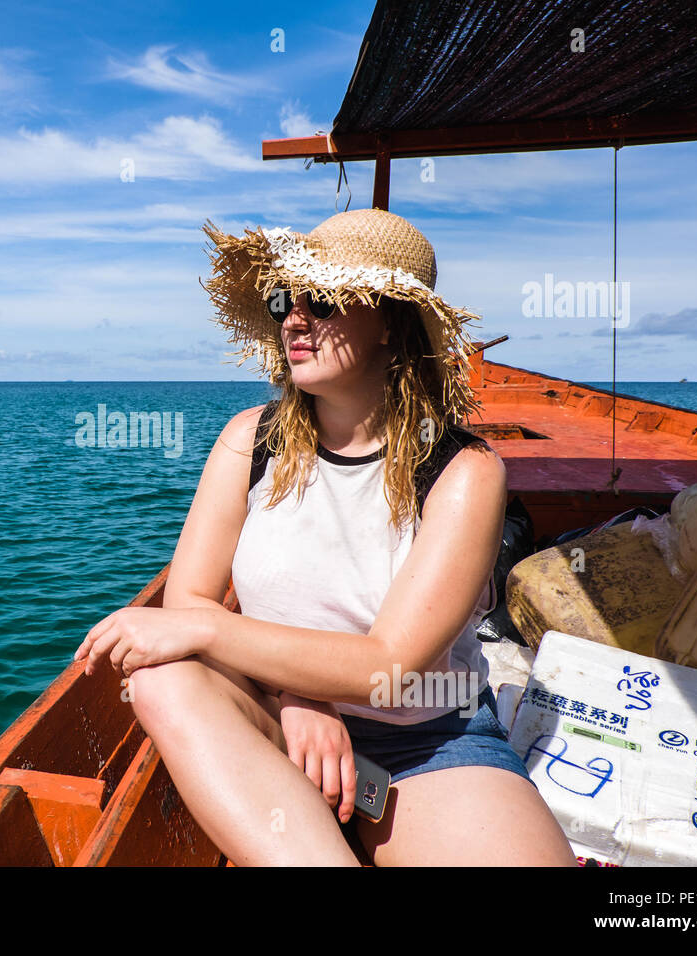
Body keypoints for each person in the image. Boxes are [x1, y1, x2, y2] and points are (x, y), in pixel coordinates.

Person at [74, 207, 575, 866]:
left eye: (326, 300)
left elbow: (389, 668)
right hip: (273, 722)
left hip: (422, 744)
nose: (294, 317)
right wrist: (296, 697)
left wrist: (219, 635)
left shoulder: (462, 472)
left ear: (392, 327)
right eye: (286, 298)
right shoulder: (249, 440)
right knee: (161, 679)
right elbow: (187, 600)